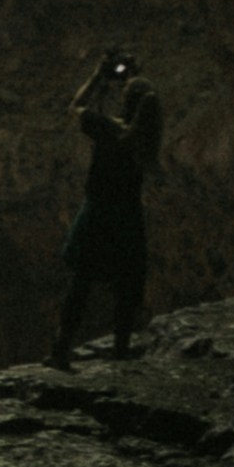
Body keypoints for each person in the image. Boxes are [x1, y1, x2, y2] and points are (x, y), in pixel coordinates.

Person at [54, 49, 161, 361]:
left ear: (127, 102)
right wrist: (134, 80)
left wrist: (99, 77)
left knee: (81, 284)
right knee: (127, 286)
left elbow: (76, 107)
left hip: (98, 213)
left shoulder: (108, 130)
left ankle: (61, 347)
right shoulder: (143, 143)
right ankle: (121, 347)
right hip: (128, 217)